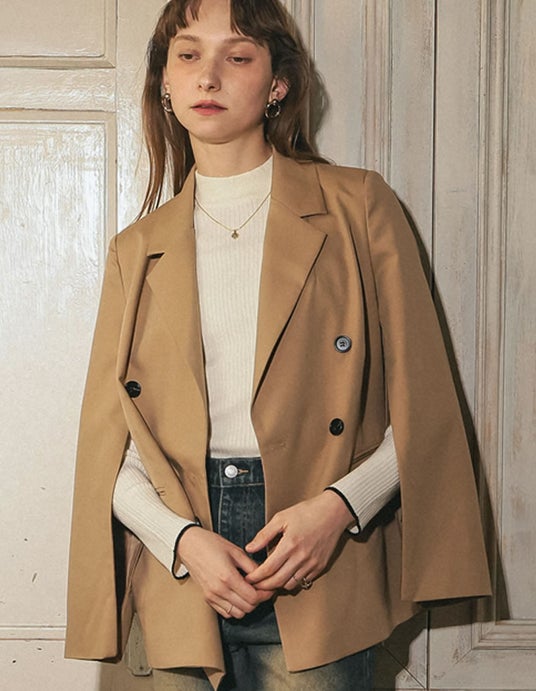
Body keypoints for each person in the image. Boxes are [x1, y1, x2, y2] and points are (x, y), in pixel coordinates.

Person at [65, 1, 491, 689]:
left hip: (320, 558)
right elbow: (109, 450)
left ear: (277, 84)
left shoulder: (358, 207)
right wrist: (181, 540)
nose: (208, 76)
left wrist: (340, 508)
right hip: (180, 565)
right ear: (165, 84)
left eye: (237, 56)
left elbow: (427, 407)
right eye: (187, 55)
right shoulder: (135, 250)